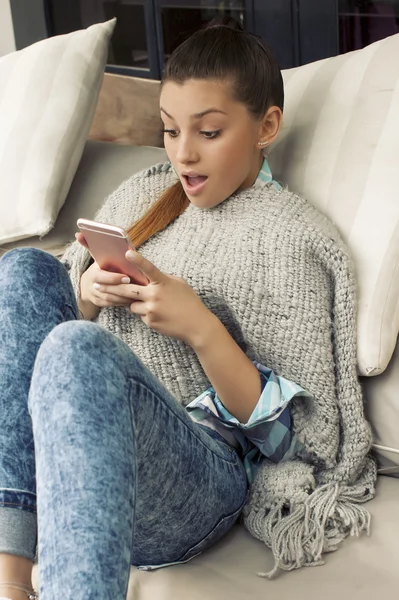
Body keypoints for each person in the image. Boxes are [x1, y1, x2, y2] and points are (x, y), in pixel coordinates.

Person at [0, 16, 375, 600]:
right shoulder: (143, 196)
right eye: (171, 131)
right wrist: (90, 296)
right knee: (24, 269)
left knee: (78, 344)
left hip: (201, 475)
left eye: (208, 132)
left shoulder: (291, 240)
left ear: (265, 126)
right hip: (83, 462)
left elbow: (293, 442)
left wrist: (201, 328)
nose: (183, 154)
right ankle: (11, 581)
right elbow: (53, 367)